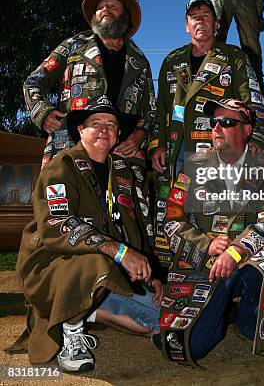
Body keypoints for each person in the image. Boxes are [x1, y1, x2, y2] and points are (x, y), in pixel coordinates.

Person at [154, 99, 264, 365]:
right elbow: (171, 220)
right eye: (214, 122)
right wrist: (205, 244)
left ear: (246, 130)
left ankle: (251, 324)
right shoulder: (194, 164)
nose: (217, 127)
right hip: (205, 262)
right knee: (191, 348)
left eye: (227, 122)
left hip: (246, 257)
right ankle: (216, 312)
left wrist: (239, 248)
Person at [15, 99, 163, 373]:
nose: (104, 129)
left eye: (111, 125)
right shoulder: (61, 166)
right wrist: (119, 252)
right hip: (50, 265)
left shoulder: (122, 171)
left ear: (118, 135)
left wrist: (150, 271)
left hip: (104, 268)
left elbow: (133, 226)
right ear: (80, 130)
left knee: (159, 319)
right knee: (99, 263)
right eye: (95, 124)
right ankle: (72, 332)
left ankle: (85, 310)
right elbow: (58, 223)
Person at [150, 0, 264, 267]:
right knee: (174, 213)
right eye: (194, 16)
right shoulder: (172, 61)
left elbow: (253, 100)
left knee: (215, 215)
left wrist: (258, 138)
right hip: (177, 153)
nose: (200, 20)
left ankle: (220, 270)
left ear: (216, 24)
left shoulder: (233, 58)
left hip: (216, 153)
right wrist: (157, 145)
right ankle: (175, 274)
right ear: (186, 25)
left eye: (206, 15)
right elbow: (161, 110)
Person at [23, 0, 156, 167]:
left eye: (113, 7)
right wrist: (42, 112)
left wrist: (140, 135)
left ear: (125, 17)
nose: (106, 9)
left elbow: (151, 110)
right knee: (62, 192)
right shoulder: (73, 46)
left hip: (123, 154)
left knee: (125, 195)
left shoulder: (140, 61)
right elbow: (33, 82)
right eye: (100, 7)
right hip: (70, 146)